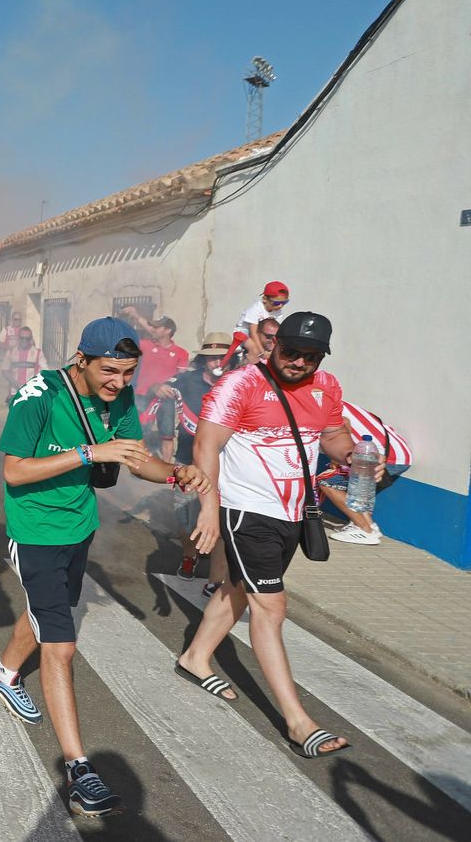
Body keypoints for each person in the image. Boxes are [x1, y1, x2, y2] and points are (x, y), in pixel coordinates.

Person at [0, 316, 209, 819]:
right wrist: (89, 451)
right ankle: (80, 769)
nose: (120, 384)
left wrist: (176, 474)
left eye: (128, 373)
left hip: (79, 526)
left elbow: (136, 458)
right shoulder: (36, 394)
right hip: (36, 531)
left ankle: (3, 671)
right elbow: (14, 470)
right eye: (110, 372)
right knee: (61, 646)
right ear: (81, 359)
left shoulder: (119, 396)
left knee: (51, 611)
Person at [177, 312, 367, 760]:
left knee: (238, 590)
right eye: (290, 352)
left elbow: (333, 433)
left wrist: (353, 455)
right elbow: (206, 444)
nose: (299, 362)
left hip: (292, 513)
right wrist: (209, 509)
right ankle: (299, 723)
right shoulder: (239, 384)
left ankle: (195, 657)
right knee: (271, 606)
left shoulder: (327, 387)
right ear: (274, 344)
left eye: (310, 356)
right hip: (247, 512)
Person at [149, 331, 233, 584]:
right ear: (203, 360)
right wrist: (158, 387)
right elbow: (157, 387)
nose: (217, 362)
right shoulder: (187, 379)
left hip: (226, 464)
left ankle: (217, 573)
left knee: (221, 516)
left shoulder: (237, 382)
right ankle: (189, 555)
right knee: (185, 515)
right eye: (212, 357)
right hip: (188, 461)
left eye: (222, 357)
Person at [318, 403, 412, 545]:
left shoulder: (320, 404)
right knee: (359, 488)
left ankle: (363, 530)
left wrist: (336, 460)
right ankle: (371, 527)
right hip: (400, 455)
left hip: (378, 457)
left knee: (327, 482)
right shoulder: (335, 400)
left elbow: (344, 422)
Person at [131, 316, 189, 460]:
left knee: (167, 435)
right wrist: (135, 315)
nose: (153, 330)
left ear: (168, 330)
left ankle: (167, 468)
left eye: (157, 327)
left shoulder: (181, 353)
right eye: (153, 327)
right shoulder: (145, 345)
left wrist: (168, 387)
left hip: (165, 399)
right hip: (142, 395)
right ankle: (139, 464)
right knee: (139, 433)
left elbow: (182, 378)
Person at [224, 281, 290, 364]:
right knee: (254, 350)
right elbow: (253, 332)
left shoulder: (278, 312)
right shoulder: (256, 309)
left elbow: (275, 332)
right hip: (243, 334)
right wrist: (262, 352)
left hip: (261, 334)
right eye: (276, 303)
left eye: (284, 302)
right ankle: (249, 369)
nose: (280, 306)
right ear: (265, 299)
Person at [1, 324, 45, 400]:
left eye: (27, 338)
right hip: (14, 393)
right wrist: (18, 386)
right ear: (18, 338)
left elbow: (45, 371)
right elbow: (5, 371)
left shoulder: (38, 353)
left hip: (32, 393)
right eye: (22, 338)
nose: (24, 340)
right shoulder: (10, 352)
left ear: (31, 339)